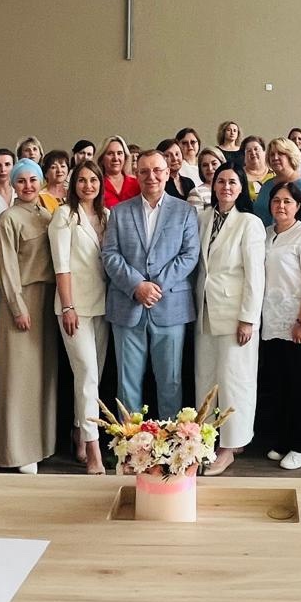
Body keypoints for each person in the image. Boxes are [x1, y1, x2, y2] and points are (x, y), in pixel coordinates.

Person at [102, 150, 200, 420]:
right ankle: (129, 442)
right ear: (136, 174)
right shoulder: (120, 212)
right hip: (127, 305)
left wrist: (155, 286)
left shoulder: (185, 211)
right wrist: (137, 286)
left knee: (170, 382)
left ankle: (172, 442)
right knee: (127, 383)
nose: (151, 176)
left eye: (157, 170)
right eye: (144, 171)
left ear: (167, 173)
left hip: (170, 306)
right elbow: (110, 254)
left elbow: (190, 255)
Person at [195, 162, 266, 476]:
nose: (225, 187)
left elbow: (255, 276)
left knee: (234, 381)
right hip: (204, 311)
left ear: (241, 188)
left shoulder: (249, 223)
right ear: (213, 185)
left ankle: (230, 447)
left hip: (236, 316)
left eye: (232, 182)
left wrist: (248, 318)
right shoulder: (203, 218)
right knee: (205, 381)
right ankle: (205, 443)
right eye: (221, 181)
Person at [0, 159, 59, 473]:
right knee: (18, 377)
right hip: (21, 299)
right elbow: (6, 268)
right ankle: (18, 451)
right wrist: (17, 308)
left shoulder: (48, 215)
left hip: (48, 300)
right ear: (14, 184)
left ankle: (42, 443)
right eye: (21, 181)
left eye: (33, 180)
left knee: (43, 375)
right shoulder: (8, 219)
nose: (28, 186)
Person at [260, 181, 301, 470]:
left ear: (298, 206)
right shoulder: (266, 234)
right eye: (276, 200)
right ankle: (284, 440)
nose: (281, 206)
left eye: (287, 201)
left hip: (300, 325)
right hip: (272, 323)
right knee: (279, 385)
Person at [50, 160, 111, 475]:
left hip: (103, 306)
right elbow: (61, 265)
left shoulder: (107, 215)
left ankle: (79, 430)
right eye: (82, 180)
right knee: (86, 373)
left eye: (93, 180)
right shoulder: (64, 215)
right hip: (75, 307)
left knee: (92, 377)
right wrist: (68, 306)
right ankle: (93, 449)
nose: (88, 185)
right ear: (73, 184)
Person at [253, 138, 301, 229]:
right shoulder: (267, 185)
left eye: (280, 153)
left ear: (291, 156)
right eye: (272, 154)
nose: (275, 158)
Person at [100, 134, 139, 209]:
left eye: (119, 153)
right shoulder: (97, 185)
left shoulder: (137, 184)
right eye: (110, 153)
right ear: (102, 159)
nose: (116, 158)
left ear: (125, 157)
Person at [241, 135, 272, 200]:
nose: (253, 152)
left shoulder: (275, 174)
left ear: (264, 152)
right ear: (244, 156)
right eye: (249, 151)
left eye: (256, 149)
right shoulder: (238, 175)